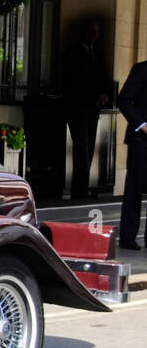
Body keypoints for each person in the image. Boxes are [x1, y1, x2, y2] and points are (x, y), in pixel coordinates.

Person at [61, 19, 115, 200]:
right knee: (81, 148)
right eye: (92, 31)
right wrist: (95, 95)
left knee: (90, 146)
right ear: (83, 33)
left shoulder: (98, 54)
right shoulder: (72, 54)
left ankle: (82, 187)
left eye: (97, 32)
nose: (95, 36)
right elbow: (75, 82)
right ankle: (79, 189)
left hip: (93, 109)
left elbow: (104, 78)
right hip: (77, 108)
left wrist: (105, 95)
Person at [118, 59, 147, 250]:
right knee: (134, 189)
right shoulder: (142, 70)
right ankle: (128, 237)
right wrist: (142, 125)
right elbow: (123, 100)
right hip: (141, 141)